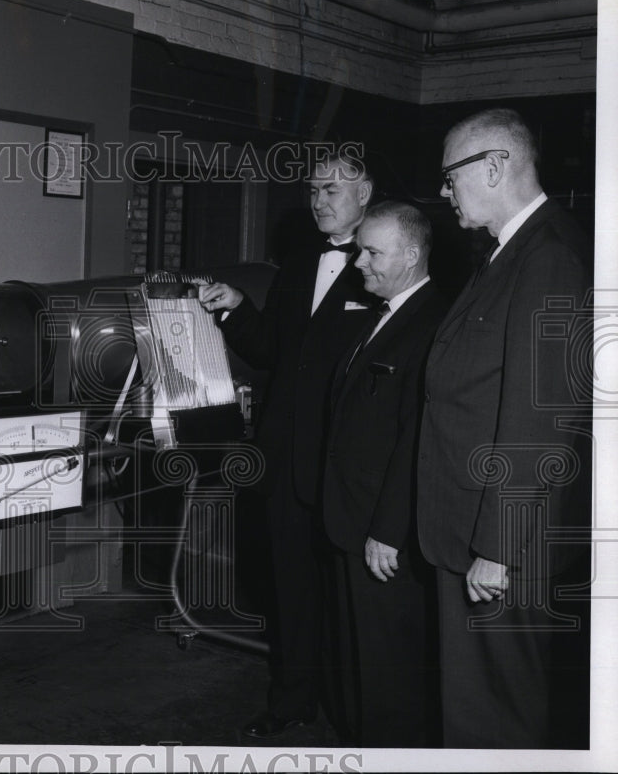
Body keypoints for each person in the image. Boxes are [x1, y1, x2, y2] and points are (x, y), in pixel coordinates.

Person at [417, 108, 592, 748]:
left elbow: (540, 416)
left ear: (495, 166)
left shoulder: (549, 255)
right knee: (473, 710)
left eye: (449, 175)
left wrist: (496, 543)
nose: (444, 191)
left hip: (501, 541)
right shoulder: (510, 251)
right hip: (471, 525)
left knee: (497, 719)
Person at [198, 150, 375, 739]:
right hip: (284, 459)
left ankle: (357, 710)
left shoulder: (388, 262)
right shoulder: (299, 263)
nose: (319, 200)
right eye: (313, 190)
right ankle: (293, 699)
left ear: (366, 193)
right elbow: (272, 351)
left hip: (346, 464)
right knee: (292, 590)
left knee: (351, 595)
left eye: (331, 189)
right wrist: (237, 309)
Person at [321, 201, 446, 747]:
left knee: (389, 669)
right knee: (358, 660)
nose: (360, 263)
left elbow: (415, 438)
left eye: (373, 252)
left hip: (382, 533)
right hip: (350, 518)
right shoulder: (384, 313)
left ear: (413, 255)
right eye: (359, 250)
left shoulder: (434, 323)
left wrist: (387, 530)